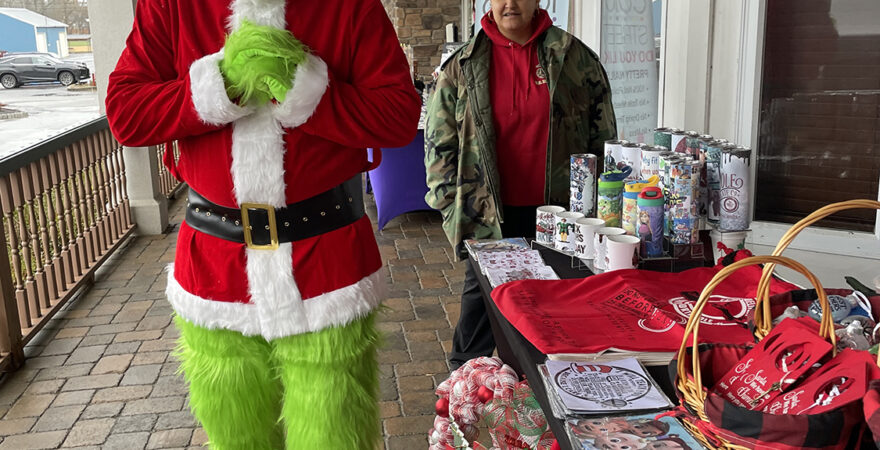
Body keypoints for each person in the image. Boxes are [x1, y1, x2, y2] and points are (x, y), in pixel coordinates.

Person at [105, 0, 421, 448]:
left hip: (327, 265)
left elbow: (398, 116)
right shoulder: (171, 5)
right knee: (236, 437)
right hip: (215, 267)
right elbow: (125, 112)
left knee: (333, 434)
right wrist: (219, 84)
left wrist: (308, 89)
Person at [424, 0, 617, 369]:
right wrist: (451, 207)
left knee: (554, 305)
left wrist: (597, 205)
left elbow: (603, 138)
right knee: (480, 304)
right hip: (488, 212)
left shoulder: (574, 59)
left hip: (560, 212)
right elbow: (439, 145)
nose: (509, 3)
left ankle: (544, 385)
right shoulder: (462, 67)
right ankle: (464, 389)